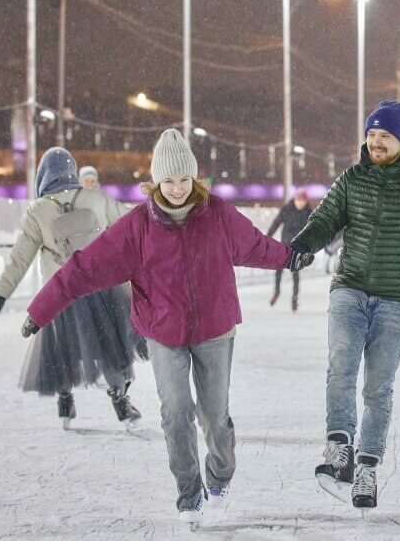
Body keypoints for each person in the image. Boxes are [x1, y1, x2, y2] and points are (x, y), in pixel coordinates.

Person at [20, 129, 310, 522]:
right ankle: (189, 493)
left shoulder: (218, 214)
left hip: (215, 329)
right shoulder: (137, 227)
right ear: (155, 182)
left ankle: (220, 472)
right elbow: (84, 268)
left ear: (194, 179)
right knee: (175, 413)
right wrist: (40, 310)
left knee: (213, 414)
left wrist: (289, 258)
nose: (176, 188)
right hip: (162, 333)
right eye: (168, 180)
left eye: (183, 180)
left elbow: (256, 246)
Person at [288, 100, 400, 513]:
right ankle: (339, 446)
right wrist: (303, 245)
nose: (375, 142)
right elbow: (325, 219)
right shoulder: (353, 178)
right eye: (371, 135)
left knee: (377, 387)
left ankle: (367, 466)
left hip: (398, 298)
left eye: (384, 136)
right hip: (349, 288)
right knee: (340, 367)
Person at [0, 147, 146, 429]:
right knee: (111, 345)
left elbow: (20, 258)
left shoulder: (38, 211)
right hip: (101, 290)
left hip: (59, 296)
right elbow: (133, 227)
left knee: (62, 349)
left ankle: (64, 400)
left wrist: (1, 293)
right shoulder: (96, 199)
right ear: (72, 171)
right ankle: (120, 399)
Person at [266, 187, 313, 311]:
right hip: (285, 244)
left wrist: (310, 246)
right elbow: (276, 223)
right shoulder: (287, 209)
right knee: (278, 268)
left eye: (302, 201)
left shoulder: (309, 212)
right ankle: (276, 291)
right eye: (298, 200)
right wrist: (267, 238)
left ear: (306, 201)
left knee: (296, 272)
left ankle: (294, 298)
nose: (300, 203)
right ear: (294, 199)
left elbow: (313, 230)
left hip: (298, 246)